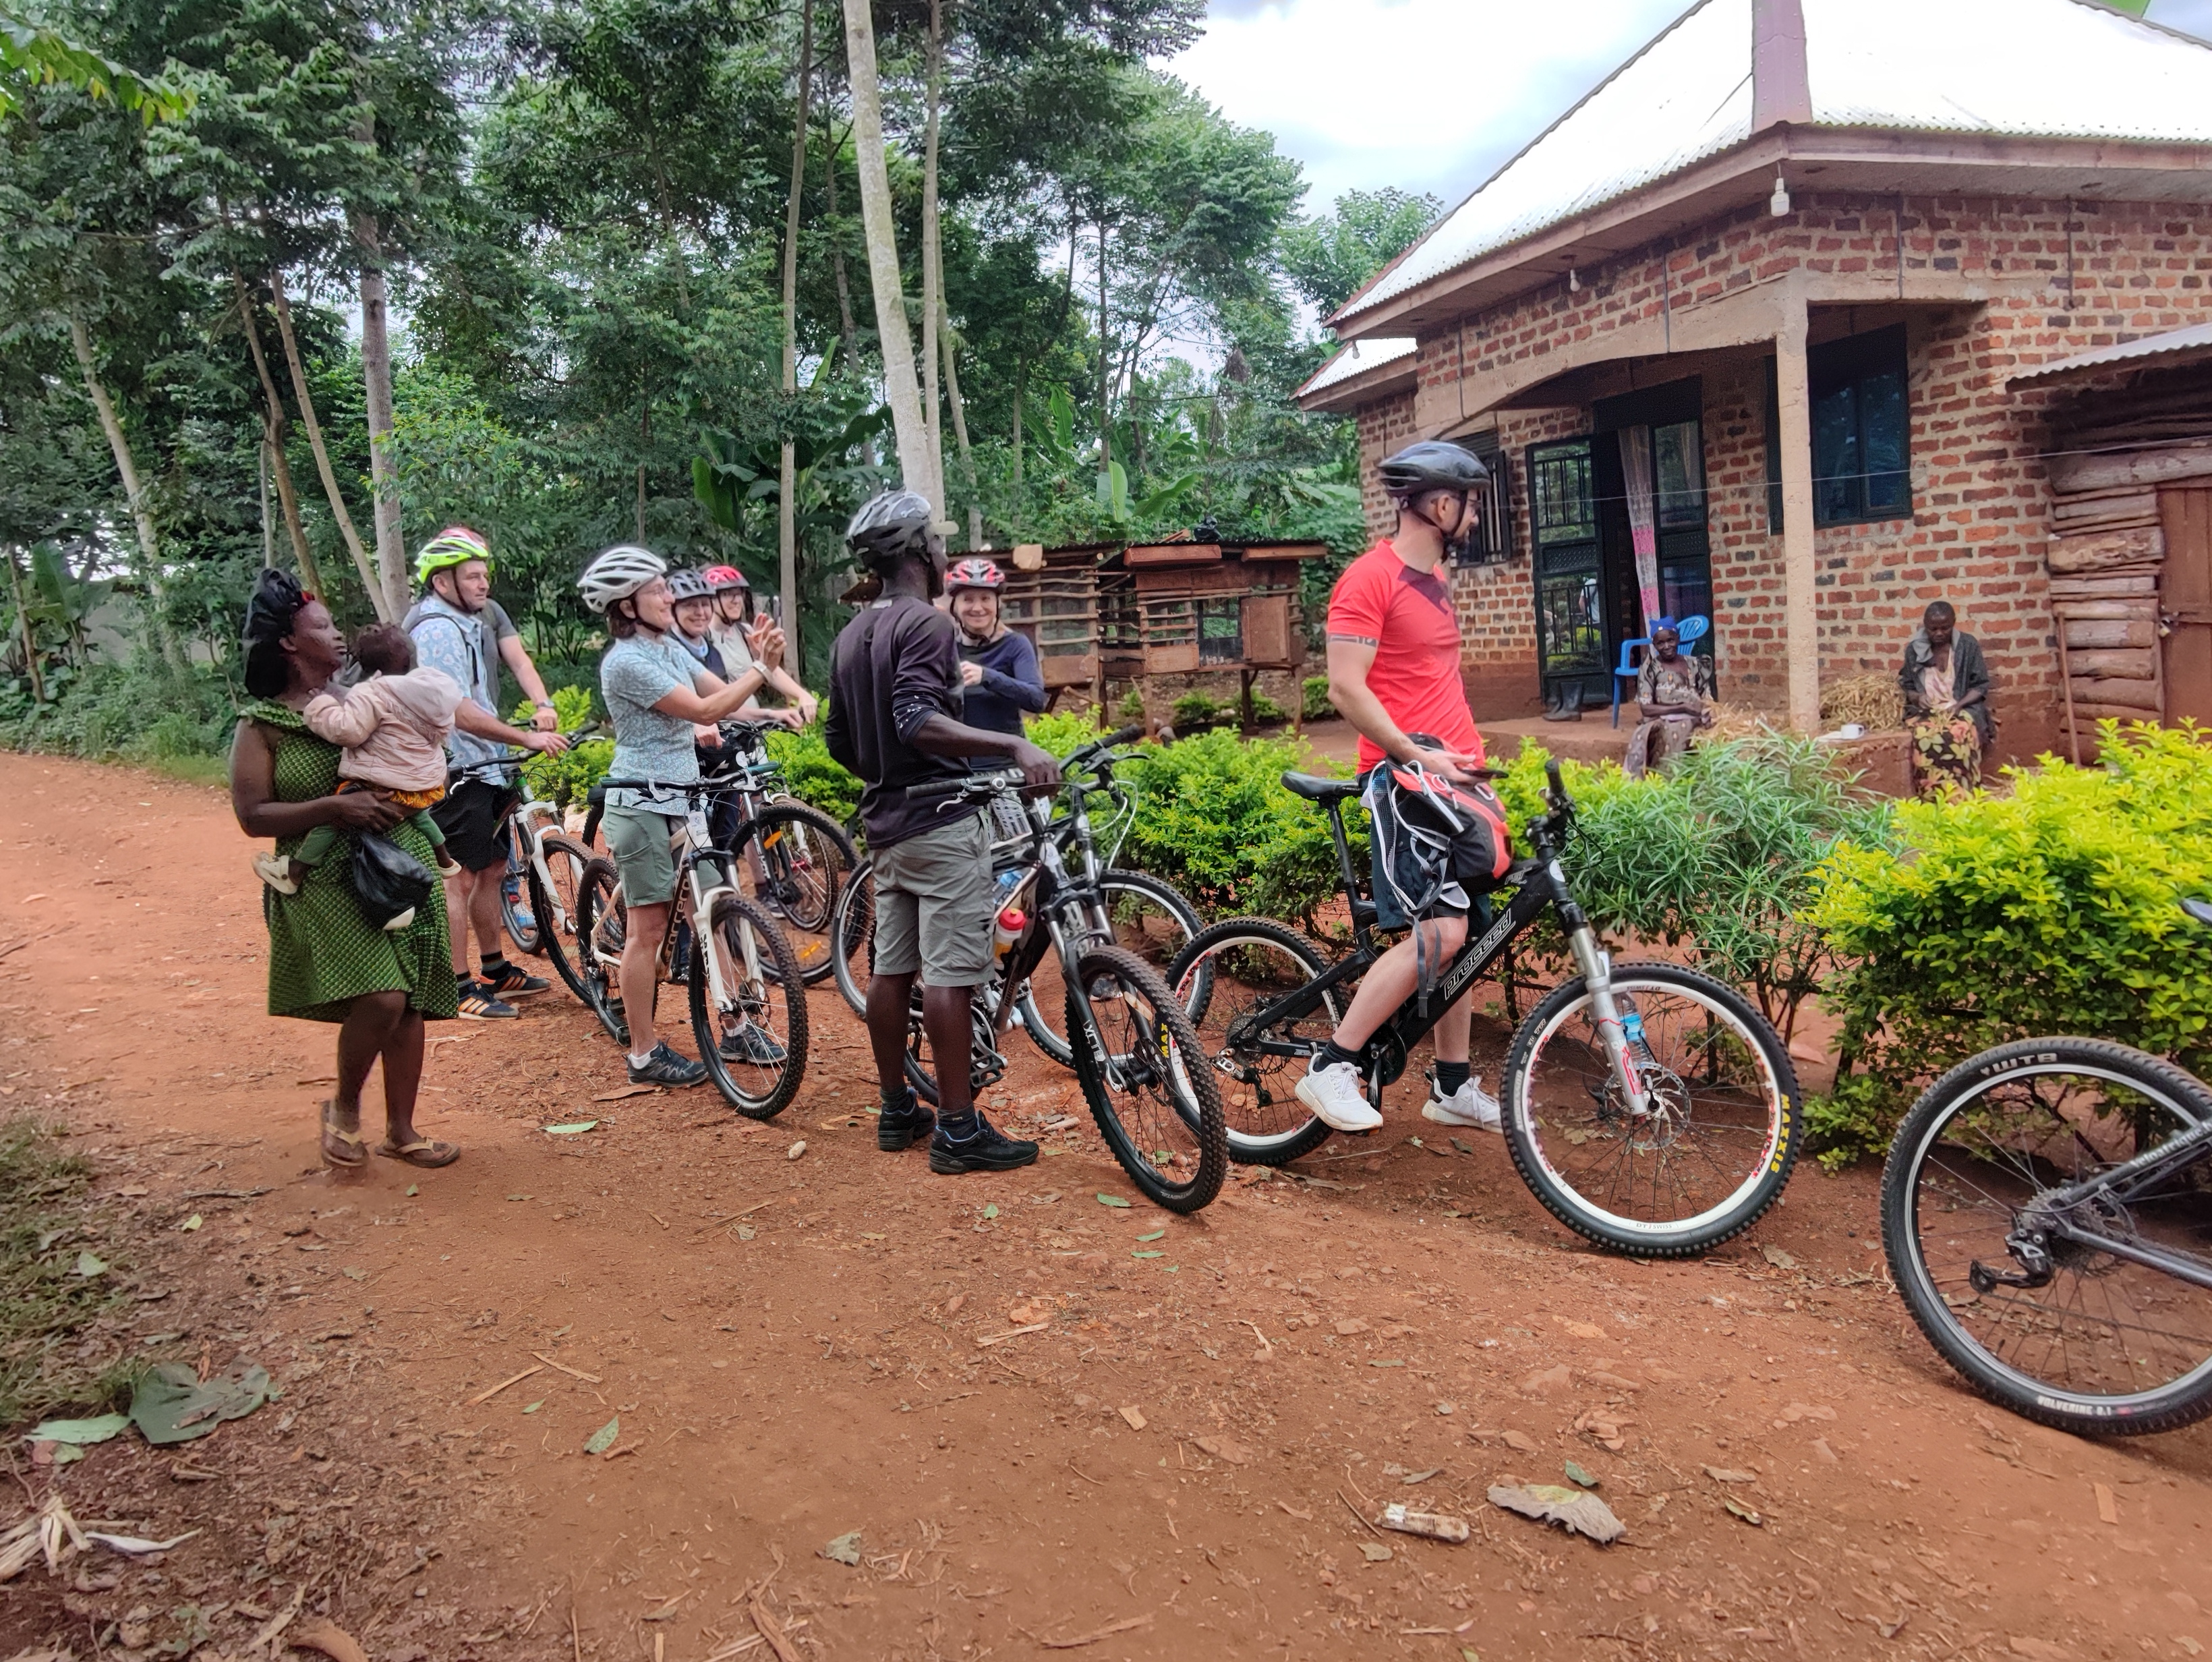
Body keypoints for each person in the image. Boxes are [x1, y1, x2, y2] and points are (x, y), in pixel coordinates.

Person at [825, 490, 1059, 1174]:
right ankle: (958, 1129)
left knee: (891, 971)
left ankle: (898, 1110)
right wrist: (1010, 748)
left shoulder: (850, 635)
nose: (941, 548)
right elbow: (913, 718)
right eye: (934, 538)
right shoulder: (927, 625)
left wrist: (882, 775)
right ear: (918, 551)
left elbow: (840, 736)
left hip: (887, 825)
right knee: (953, 976)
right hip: (939, 819)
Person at [1298, 440, 1507, 1138]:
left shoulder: (1437, 578)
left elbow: (1433, 684)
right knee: (1442, 928)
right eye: (1471, 499)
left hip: (1449, 777)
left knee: (1472, 928)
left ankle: (1450, 1084)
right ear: (1439, 503)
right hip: (1401, 780)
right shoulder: (1369, 578)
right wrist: (1419, 756)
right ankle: (1332, 1064)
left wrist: (1462, 762)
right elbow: (1345, 689)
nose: (1477, 513)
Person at [229, 570, 461, 1170]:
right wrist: (336, 806)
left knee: (409, 1002)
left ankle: (402, 1131)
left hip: (399, 865)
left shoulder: (383, 697)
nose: (338, 637)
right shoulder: (264, 725)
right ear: (289, 643)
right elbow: (254, 816)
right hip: (325, 876)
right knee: (382, 999)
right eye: (325, 627)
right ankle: (344, 1109)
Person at [581, 544, 792, 1087]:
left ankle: (735, 1024)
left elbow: (722, 696)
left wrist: (770, 706)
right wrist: (762, 670)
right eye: (656, 590)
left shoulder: (668, 647)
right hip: (643, 802)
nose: (668, 596)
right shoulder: (626, 661)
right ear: (627, 605)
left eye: (664, 586)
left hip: (684, 798)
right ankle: (644, 1054)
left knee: (712, 908)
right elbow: (702, 712)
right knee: (647, 931)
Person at [405, 527, 571, 1019]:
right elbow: (454, 708)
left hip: (483, 764)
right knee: (458, 877)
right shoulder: (435, 629)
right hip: (455, 768)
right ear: (442, 583)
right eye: (473, 576)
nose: (483, 585)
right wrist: (524, 737)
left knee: (495, 869)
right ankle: (458, 988)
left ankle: (496, 968)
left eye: (484, 575)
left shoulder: (469, 621)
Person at [254, 624, 465, 929]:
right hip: (425, 784)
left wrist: (321, 704)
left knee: (338, 813)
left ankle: (296, 870)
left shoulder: (373, 692)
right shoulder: (432, 691)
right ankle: (445, 861)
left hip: (385, 783)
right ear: (410, 659)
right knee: (420, 816)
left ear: (362, 665)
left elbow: (348, 731)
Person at [704, 565, 820, 725]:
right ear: (712, 599)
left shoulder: (744, 631)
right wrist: (771, 714)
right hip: (726, 732)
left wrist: (802, 695)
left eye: (739, 594)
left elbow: (769, 670)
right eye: (727, 594)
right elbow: (720, 700)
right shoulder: (703, 638)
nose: (736, 600)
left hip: (753, 731)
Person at [1899, 600, 1991, 796]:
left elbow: (1981, 685)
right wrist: (1917, 697)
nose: (1939, 633)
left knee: (1958, 733)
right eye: (1933, 629)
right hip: (1926, 711)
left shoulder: (1967, 646)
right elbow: (1907, 685)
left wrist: (1959, 705)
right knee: (1922, 735)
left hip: (1962, 708)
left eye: (1945, 628)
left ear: (1954, 623)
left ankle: (1964, 793)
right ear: (1925, 625)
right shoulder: (1915, 650)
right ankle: (1931, 794)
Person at [945, 558, 1047, 735]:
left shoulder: (1016, 644)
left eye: (986, 599)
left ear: (998, 605)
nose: (977, 608)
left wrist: (987, 676)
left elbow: (1037, 700)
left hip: (1003, 759)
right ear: (955, 607)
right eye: (968, 600)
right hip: (956, 759)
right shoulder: (945, 647)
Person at [1621, 619, 1716, 779]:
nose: (1666, 647)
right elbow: (1646, 709)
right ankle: (1669, 779)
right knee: (1675, 729)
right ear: (1654, 645)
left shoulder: (1695, 664)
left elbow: (1706, 698)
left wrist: (1707, 715)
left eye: (1670, 640)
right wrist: (1682, 708)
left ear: (1678, 639)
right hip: (1661, 717)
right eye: (1660, 643)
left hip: (1696, 715)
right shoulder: (1650, 668)